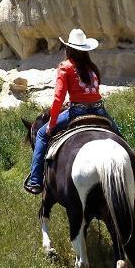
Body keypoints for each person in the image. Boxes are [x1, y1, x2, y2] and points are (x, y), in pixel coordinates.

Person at [24, 28, 119, 195]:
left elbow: (57, 99)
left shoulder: (65, 67)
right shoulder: (92, 67)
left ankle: (35, 180)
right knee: (117, 134)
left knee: (40, 134)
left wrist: (51, 124)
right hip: (99, 110)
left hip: (77, 111)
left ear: (69, 48)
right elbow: (92, 91)